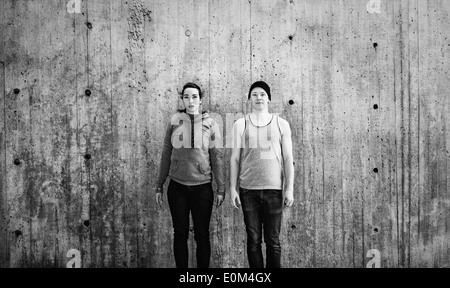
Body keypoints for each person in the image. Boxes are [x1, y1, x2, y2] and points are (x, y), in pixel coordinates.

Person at [155, 82, 224, 268]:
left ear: (201, 100)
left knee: (202, 235)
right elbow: (165, 153)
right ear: (182, 99)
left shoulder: (211, 124)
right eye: (186, 97)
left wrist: (221, 188)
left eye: (194, 96)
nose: (190, 100)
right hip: (177, 187)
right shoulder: (174, 121)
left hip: (202, 188)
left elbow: (217, 156)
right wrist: (159, 184)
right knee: (180, 234)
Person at [229, 81, 294, 268]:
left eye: (263, 94)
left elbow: (289, 158)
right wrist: (232, 189)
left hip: (274, 190)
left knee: (273, 241)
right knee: (253, 241)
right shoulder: (240, 124)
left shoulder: (281, 124)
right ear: (249, 98)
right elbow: (234, 159)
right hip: (248, 190)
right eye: (255, 94)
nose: (259, 97)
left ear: (269, 98)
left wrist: (289, 189)